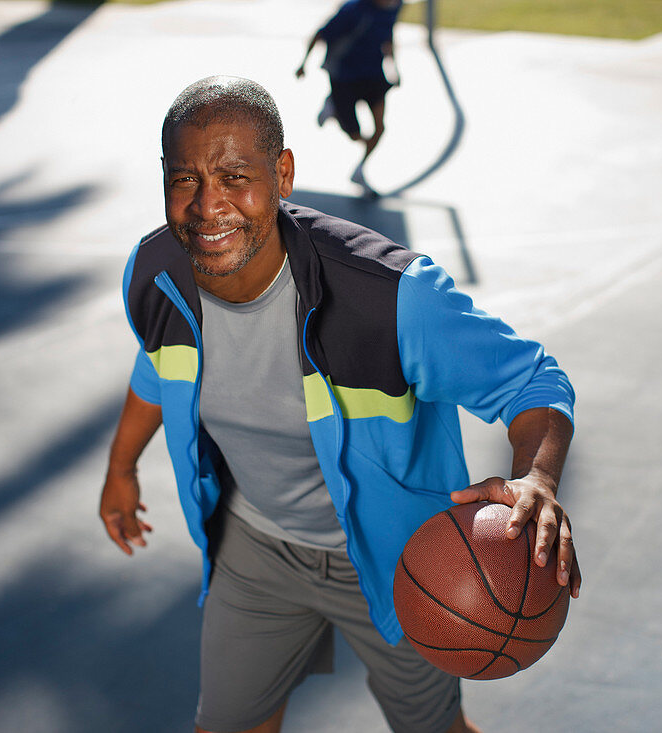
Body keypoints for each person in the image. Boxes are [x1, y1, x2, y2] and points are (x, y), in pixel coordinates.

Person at [99, 75, 579, 733]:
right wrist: (122, 465)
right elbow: (159, 365)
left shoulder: (391, 296)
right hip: (258, 548)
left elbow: (532, 383)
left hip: (396, 559)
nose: (208, 205)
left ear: (283, 173)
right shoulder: (158, 276)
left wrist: (538, 477)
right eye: (185, 179)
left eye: (236, 177)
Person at [295, 0, 402, 195]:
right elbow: (321, 33)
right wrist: (304, 64)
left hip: (374, 74)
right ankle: (334, 105)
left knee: (380, 128)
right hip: (344, 77)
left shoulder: (395, 6)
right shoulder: (353, 10)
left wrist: (394, 68)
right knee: (355, 135)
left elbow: (388, 35)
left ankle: (360, 170)